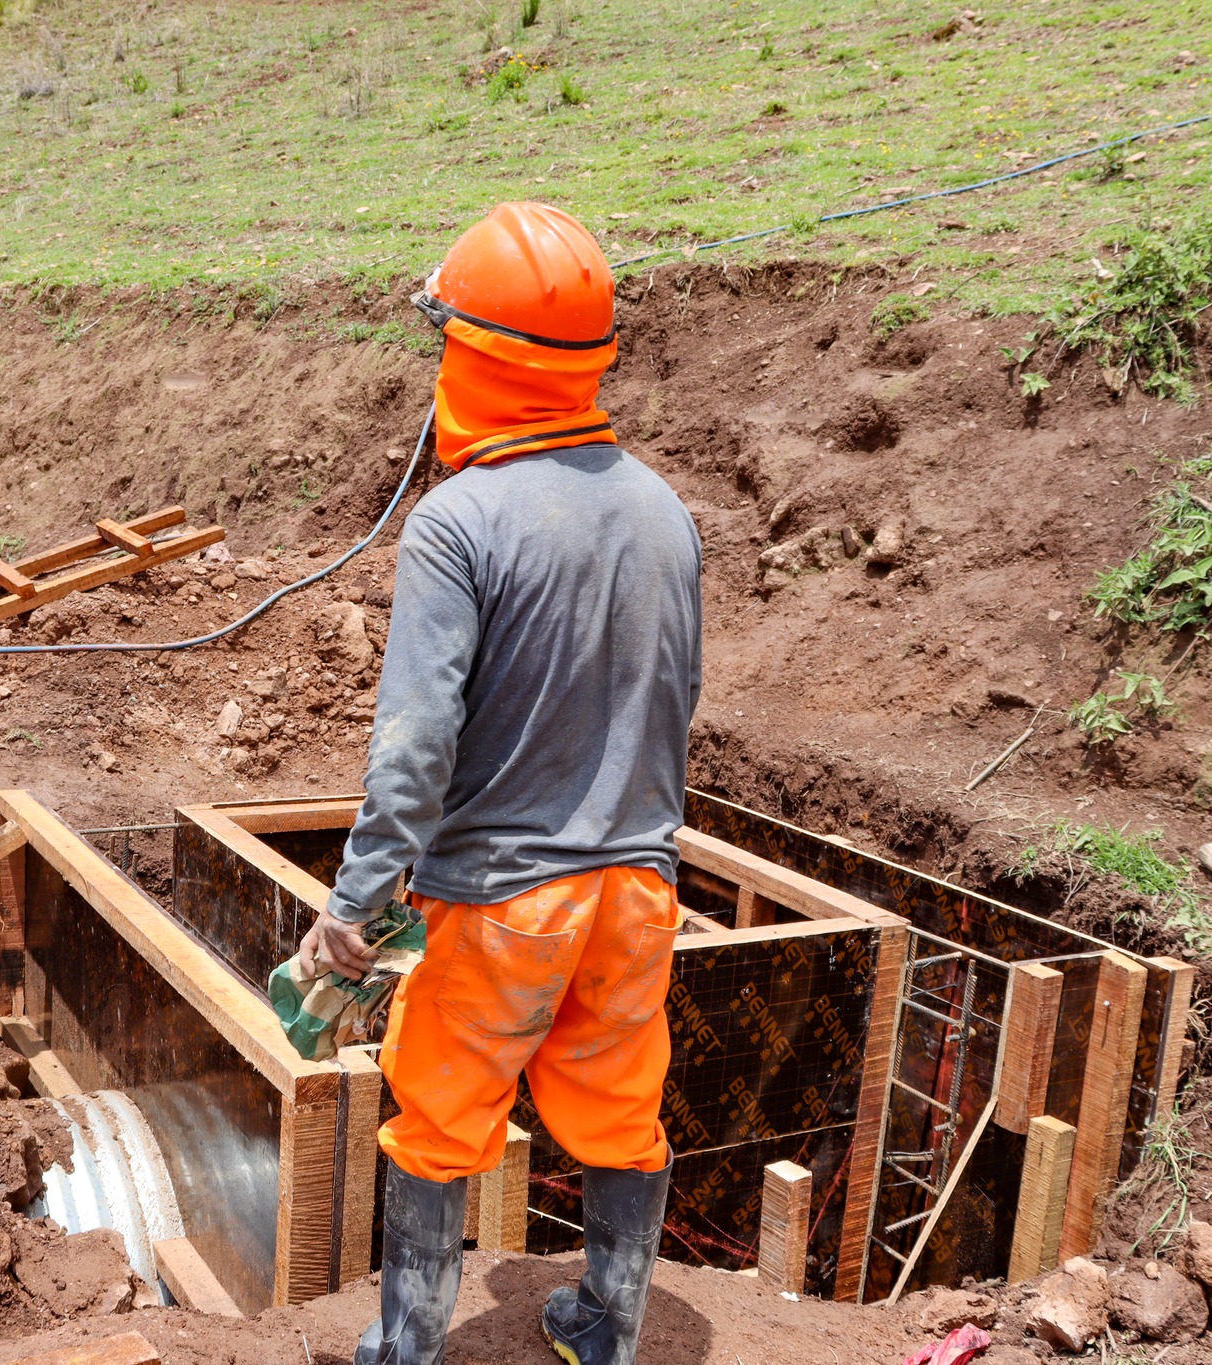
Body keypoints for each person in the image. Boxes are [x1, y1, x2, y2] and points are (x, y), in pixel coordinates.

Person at [297, 203, 703, 1365]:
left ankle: (408, 1352)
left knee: (436, 1128)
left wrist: (355, 901)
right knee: (621, 1114)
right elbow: (669, 703)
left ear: (469, 355)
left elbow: (414, 750)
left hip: (496, 902)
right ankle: (606, 1335)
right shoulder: (661, 511)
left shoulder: (456, 524)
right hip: (633, 887)